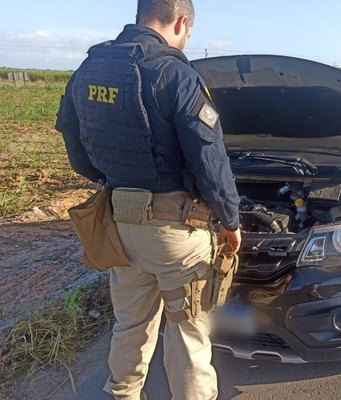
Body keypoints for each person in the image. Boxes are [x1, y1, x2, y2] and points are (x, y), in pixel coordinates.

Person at [55, 1, 241, 399]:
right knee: (188, 334)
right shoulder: (173, 72)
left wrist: (111, 180)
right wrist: (230, 219)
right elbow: (209, 158)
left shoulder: (90, 68)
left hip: (118, 227)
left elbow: (72, 138)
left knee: (130, 327)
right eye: (188, 33)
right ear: (181, 22)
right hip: (175, 234)